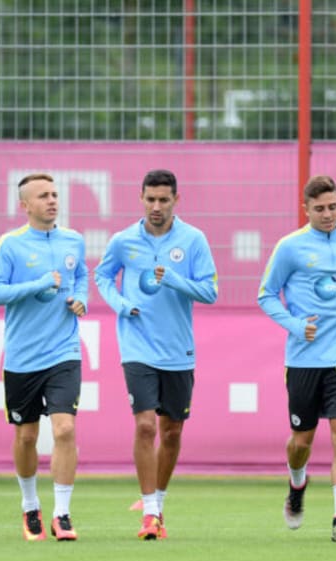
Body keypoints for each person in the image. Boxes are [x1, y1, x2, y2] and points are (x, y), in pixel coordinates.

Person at [94, 169, 219, 540]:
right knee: (146, 424)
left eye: (164, 200)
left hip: (178, 350)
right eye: (150, 199)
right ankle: (149, 513)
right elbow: (102, 276)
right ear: (141, 198)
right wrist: (120, 304)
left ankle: (158, 501)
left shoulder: (193, 240)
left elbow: (210, 291)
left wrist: (173, 278)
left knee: (172, 430)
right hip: (137, 345)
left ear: (176, 201)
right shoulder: (123, 241)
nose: (156, 206)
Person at [257, 175, 336, 543]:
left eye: (333, 207)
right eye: (320, 208)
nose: (327, 214)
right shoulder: (290, 247)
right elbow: (266, 295)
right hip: (304, 361)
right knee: (301, 441)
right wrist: (294, 325)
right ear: (305, 209)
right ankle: (297, 484)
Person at [0, 173, 88, 542]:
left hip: (64, 351)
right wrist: (40, 283)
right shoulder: (9, 245)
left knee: (65, 428)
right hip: (23, 358)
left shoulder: (73, 239)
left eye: (55, 194)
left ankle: (62, 514)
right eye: (43, 196)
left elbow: (81, 278)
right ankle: (31, 507)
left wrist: (81, 300)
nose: (52, 200)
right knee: (26, 436)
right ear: (25, 205)